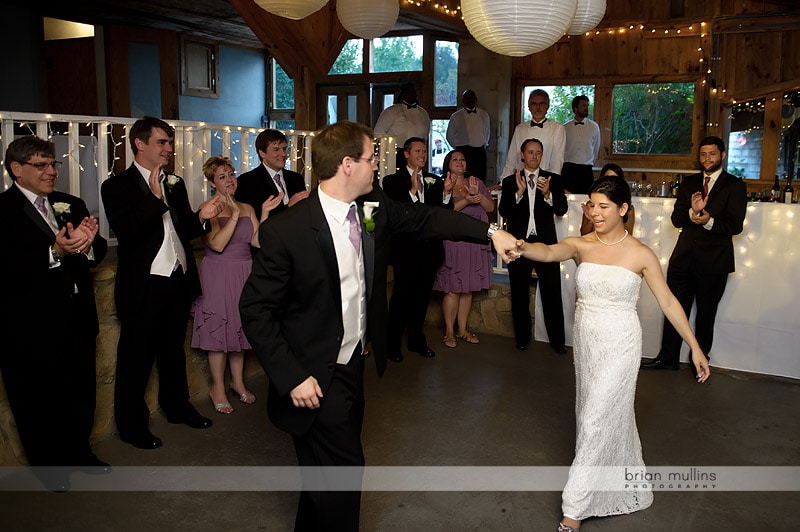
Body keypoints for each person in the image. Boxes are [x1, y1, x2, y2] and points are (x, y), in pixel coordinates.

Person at [238, 120, 519, 531]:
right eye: (371, 159)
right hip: (310, 373)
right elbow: (255, 310)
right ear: (347, 165)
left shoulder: (373, 206)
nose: (377, 166)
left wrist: (491, 232)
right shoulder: (287, 230)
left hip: (352, 365)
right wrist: (291, 376)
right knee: (346, 469)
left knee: (323, 473)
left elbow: (427, 219)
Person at [513, 175, 711, 532]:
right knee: (595, 414)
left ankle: (572, 512)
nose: (595, 212)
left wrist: (695, 347)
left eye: (603, 206)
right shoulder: (582, 243)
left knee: (595, 419)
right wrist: (521, 247)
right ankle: (608, 480)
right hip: (588, 342)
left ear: (623, 209)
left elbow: (668, 301)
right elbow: (548, 251)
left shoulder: (641, 253)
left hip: (621, 342)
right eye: (591, 205)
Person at [101, 116, 226, 450]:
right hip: (143, 284)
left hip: (177, 278)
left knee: (173, 351)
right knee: (135, 358)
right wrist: (154, 199)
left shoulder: (176, 182)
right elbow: (127, 231)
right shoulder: (116, 186)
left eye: (170, 143)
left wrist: (201, 216)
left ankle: (177, 406)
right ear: (139, 144)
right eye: (162, 142)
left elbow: (183, 229)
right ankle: (131, 424)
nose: (169, 148)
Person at [0, 136, 109, 491]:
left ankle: (80, 452)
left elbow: (99, 247)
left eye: (53, 164)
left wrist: (89, 245)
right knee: (37, 398)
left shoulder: (69, 202)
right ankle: (49, 467)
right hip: (30, 325)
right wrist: (54, 251)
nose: (51, 172)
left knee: (80, 389)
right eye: (41, 165)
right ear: (17, 169)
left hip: (77, 315)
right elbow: (7, 266)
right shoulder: (2, 209)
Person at [642, 136, 747, 373]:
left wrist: (708, 220)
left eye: (712, 154)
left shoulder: (735, 186)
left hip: (714, 263)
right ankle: (667, 358)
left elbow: (735, 225)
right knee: (674, 309)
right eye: (703, 154)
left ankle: (699, 362)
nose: (707, 158)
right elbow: (676, 219)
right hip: (683, 260)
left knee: (705, 315)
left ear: (722, 155)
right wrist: (692, 212)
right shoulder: (689, 183)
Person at [191, 157, 274, 414]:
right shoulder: (209, 208)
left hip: (243, 271)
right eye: (222, 176)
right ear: (212, 182)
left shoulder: (247, 206)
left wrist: (264, 214)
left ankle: (237, 382)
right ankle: (217, 387)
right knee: (219, 332)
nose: (229, 180)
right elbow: (216, 244)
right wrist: (235, 216)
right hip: (219, 272)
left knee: (239, 329)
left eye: (231, 174)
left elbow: (258, 242)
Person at [382, 137, 453, 361]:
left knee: (422, 298)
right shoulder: (392, 181)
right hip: (406, 250)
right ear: (406, 154)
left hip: (430, 250)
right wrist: (412, 192)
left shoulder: (434, 180)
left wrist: (447, 193)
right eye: (418, 151)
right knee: (401, 297)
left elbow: (443, 213)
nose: (422, 155)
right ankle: (392, 344)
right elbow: (395, 214)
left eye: (424, 151)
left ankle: (416, 340)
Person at [499, 138, 568, 353]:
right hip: (518, 245)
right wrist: (518, 194)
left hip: (546, 246)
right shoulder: (511, 181)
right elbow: (504, 212)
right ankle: (522, 338)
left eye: (538, 152)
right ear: (522, 155)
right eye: (530, 152)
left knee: (552, 293)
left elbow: (562, 209)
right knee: (519, 294)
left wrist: (548, 194)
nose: (534, 156)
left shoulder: (552, 180)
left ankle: (557, 342)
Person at [432, 149, 494, 348]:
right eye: (455, 159)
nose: (459, 162)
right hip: (453, 241)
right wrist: (466, 200)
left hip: (474, 240)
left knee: (467, 288)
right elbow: (443, 213)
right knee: (452, 288)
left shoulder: (476, 182)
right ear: (447, 164)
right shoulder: (442, 185)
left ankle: (462, 329)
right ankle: (449, 331)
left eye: (462, 159)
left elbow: (490, 207)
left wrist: (477, 196)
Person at [235, 129, 309, 220]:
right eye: (276, 149)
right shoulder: (246, 182)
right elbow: (253, 218)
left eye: (284, 149)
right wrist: (288, 207)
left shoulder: (296, 178)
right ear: (262, 153)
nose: (283, 154)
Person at [501, 88, 565, 178]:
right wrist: (503, 182)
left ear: (548, 106)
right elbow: (511, 160)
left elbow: (557, 161)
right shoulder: (520, 128)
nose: (538, 107)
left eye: (542, 103)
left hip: (544, 180)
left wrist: (552, 183)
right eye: (534, 104)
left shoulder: (558, 128)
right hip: (521, 179)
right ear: (529, 107)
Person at [374, 82, 431, 171]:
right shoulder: (391, 111)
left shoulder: (423, 113)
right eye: (408, 92)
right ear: (402, 94)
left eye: (413, 92)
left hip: (417, 154)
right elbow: (378, 133)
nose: (411, 94)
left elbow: (426, 136)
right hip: (395, 154)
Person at [446, 89, 491, 182]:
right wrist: (459, 149)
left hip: (479, 152)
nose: (470, 100)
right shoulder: (456, 116)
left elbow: (487, 132)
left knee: (480, 177)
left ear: (476, 99)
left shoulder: (484, 114)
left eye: (472, 98)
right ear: (463, 100)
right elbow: (449, 136)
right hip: (464, 151)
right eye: (467, 98)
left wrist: (483, 145)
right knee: (464, 177)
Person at [580, 164, 635, 236]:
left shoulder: (628, 209)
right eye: (607, 178)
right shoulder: (591, 205)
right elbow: (583, 233)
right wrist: (591, 219)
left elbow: (628, 235)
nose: (610, 182)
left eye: (604, 206)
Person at [562, 95, 601, 195]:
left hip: (586, 171)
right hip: (569, 170)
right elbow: (561, 149)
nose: (586, 108)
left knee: (586, 198)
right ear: (575, 108)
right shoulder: (565, 128)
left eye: (587, 105)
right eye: (583, 105)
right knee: (568, 199)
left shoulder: (594, 126)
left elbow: (596, 148)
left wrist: (589, 162)